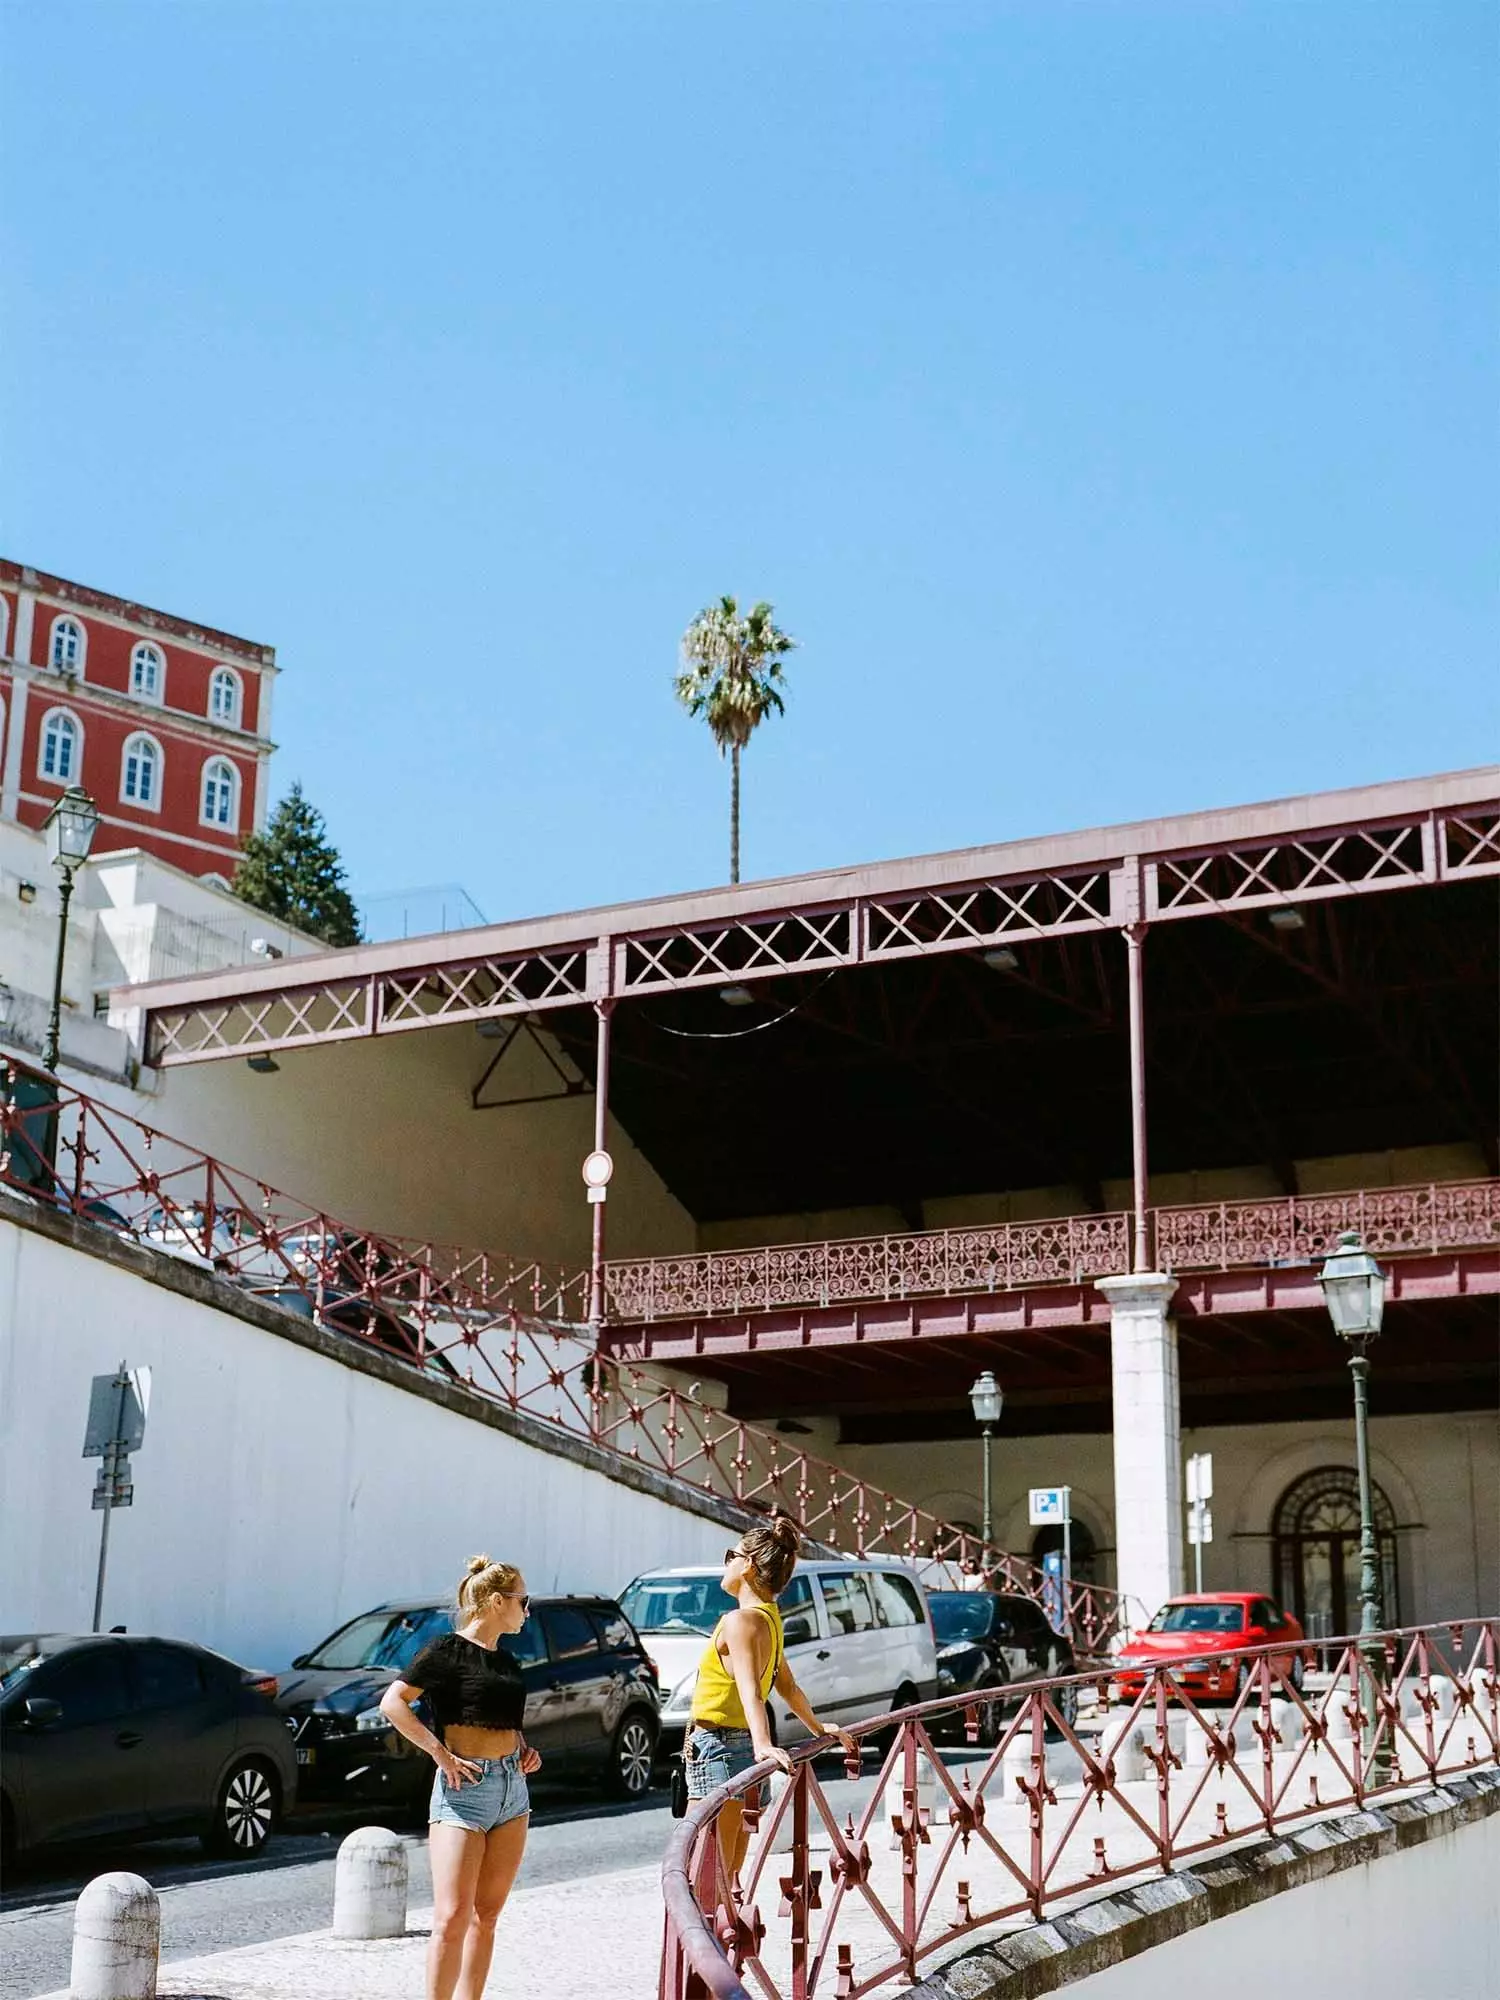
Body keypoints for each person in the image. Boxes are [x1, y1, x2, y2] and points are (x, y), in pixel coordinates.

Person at [380, 1556, 543, 2000]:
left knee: (486, 1916)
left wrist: (525, 1751)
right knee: (451, 1917)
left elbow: (506, 1721)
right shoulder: (444, 1651)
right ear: (495, 1601)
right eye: (522, 1600)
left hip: (513, 1790)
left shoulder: (507, 1660)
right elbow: (393, 1703)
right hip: (462, 1792)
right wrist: (440, 1754)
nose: (528, 1610)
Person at [685, 1516, 858, 1875]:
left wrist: (763, 1743)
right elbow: (787, 1686)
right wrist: (816, 1727)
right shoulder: (769, 1617)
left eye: (730, 1555)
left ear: (747, 1565)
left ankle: (708, 1932)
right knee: (724, 1871)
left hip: (718, 1747)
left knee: (700, 1871)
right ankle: (722, 1931)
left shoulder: (740, 1621)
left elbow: (751, 1690)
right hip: (740, 1748)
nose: (726, 1563)